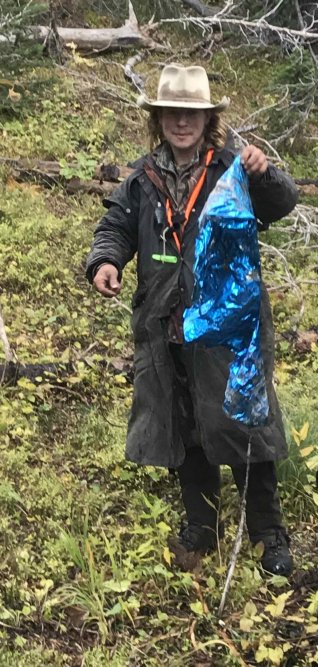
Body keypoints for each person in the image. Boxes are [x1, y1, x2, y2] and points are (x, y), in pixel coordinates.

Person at [86, 64, 298, 576]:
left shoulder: (233, 170)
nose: (183, 122)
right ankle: (201, 527)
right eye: (173, 113)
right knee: (186, 429)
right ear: (159, 119)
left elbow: (282, 203)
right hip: (168, 325)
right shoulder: (141, 178)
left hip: (229, 325)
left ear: (208, 119)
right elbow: (113, 226)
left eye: (193, 114)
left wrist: (264, 174)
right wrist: (106, 261)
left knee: (248, 423)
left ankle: (269, 535)